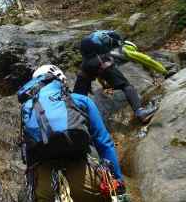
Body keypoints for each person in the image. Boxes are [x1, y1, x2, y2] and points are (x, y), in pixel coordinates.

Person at [18, 65, 129, 202]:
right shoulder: (80, 100)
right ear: (61, 80)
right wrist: (118, 183)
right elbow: (104, 143)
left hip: (47, 187)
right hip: (86, 180)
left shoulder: (29, 109)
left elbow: (29, 158)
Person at [73, 30, 157, 123]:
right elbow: (107, 56)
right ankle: (141, 113)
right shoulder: (114, 38)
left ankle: (74, 120)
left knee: (77, 96)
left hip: (85, 66)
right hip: (102, 63)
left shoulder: (93, 38)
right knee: (126, 86)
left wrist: (105, 85)